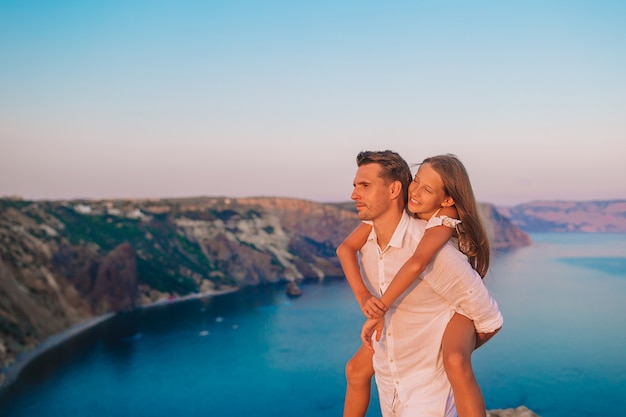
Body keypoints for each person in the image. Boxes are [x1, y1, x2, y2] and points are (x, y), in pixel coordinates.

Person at [338, 150, 503, 417]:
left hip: (426, 393)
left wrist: (443, 358)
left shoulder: (437, 242)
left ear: (393, 189)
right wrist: (367, 301)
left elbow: (417, 263)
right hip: (392, 382)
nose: (354, 195)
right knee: (355, 369)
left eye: (364, 186)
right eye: (416, 181)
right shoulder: (373, 231)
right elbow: (344, 249)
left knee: (456, 362)